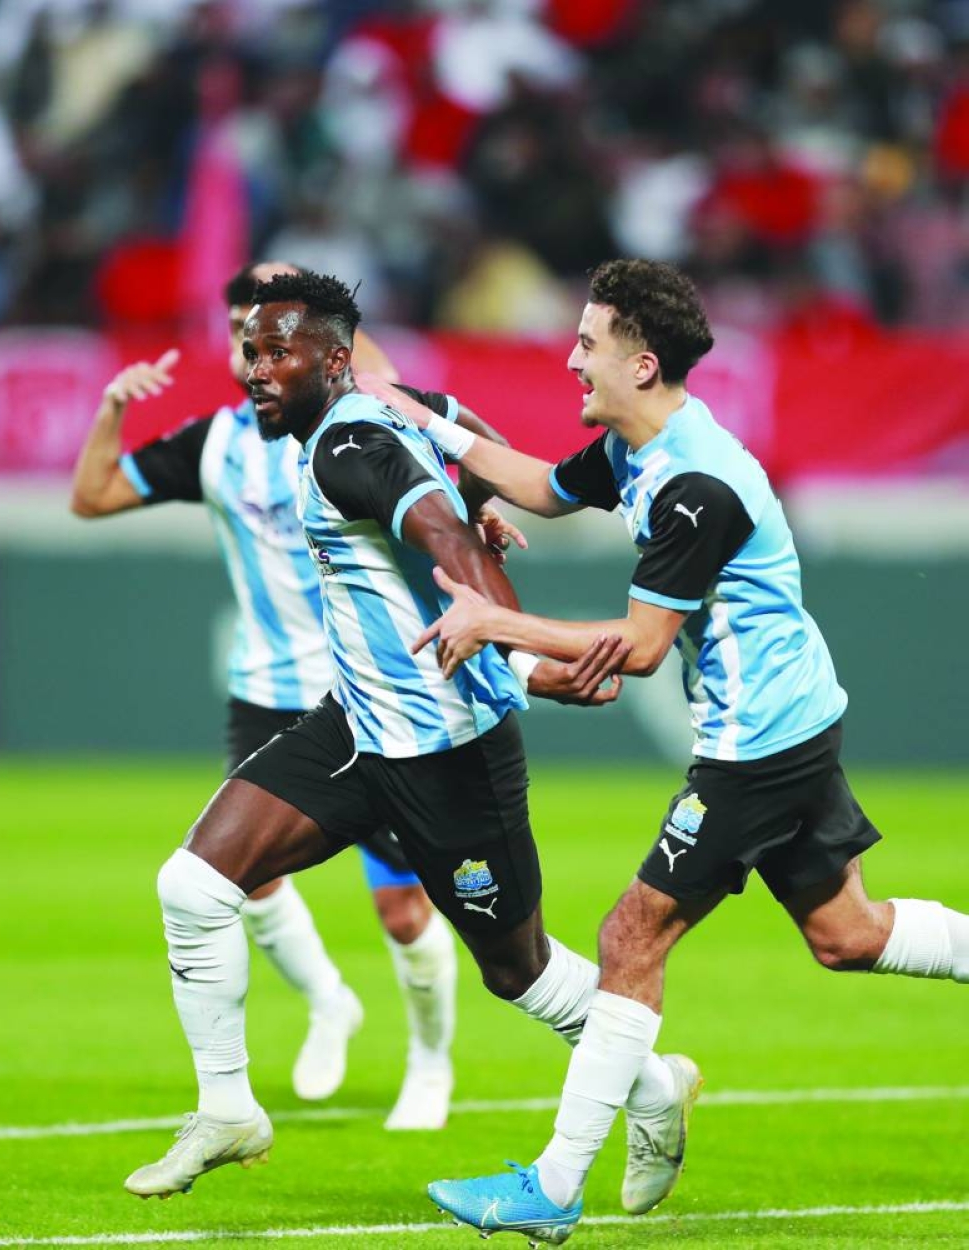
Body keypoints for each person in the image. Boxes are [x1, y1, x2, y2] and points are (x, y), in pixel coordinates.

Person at [361, 257, 969, 1244]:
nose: (571, 360)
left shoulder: (695, 487)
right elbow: (540, 487)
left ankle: (554, 1186)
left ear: (641, 364)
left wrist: (494, 621)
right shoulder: (640, 447)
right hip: (791, 717)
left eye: (588, 343)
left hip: (757, 745)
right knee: (845, 934)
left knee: (629, 936)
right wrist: (418, 419)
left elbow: (640, 647)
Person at [118, 269, 671, 1206]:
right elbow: (463, 432)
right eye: (250, 351)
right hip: (358, 726)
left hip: (448, 750)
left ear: (333, 360)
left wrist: (518, 647)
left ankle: (652, 1090)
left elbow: (444, 540)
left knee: (519, 971)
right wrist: (482, 497)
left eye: (278, 353)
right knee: (194, 884)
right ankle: (227, 1108)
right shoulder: (379, 405)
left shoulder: (350, 446)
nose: (256, 370)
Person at [71, 261, 465, 1132]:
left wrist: (328, 313)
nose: (257, 347)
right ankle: (329, 1000)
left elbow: (400, 399)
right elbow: (92, 496)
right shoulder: (214, 445)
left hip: (368, 691)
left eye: (279, 330)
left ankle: (430, 1062)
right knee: (235, 879)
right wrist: (112, 409)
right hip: (265, 692)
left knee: (403, 906)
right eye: (244, 331)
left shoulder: (359, 425)